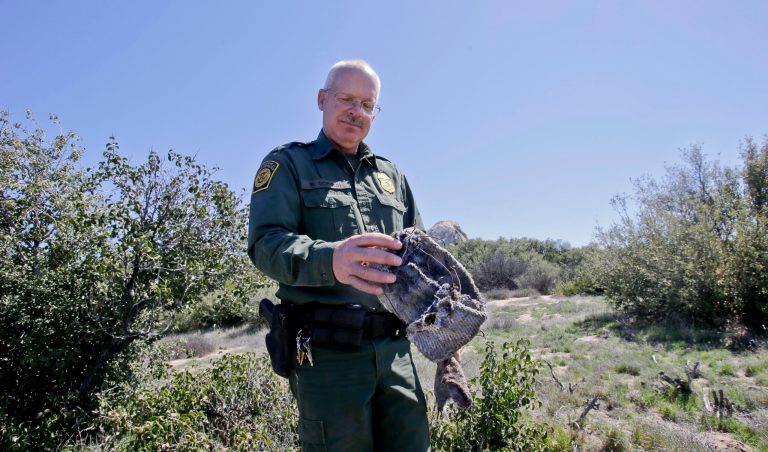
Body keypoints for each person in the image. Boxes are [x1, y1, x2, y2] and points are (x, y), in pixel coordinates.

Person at [247, 60, 430, 451]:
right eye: (346, 99)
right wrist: (332, 260)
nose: (356, 111)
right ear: (322, 100)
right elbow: (265, 245)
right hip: (328, 359)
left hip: (396, 352)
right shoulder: (287, 164)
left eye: (367, 104)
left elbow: (423, 256)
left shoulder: (391, 176)